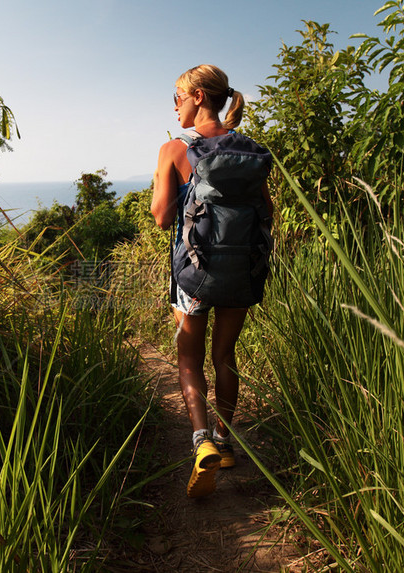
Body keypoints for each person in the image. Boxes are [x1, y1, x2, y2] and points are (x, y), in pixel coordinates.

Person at [151, 64, 273, 498]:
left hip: (193, 273)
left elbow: (163, 217)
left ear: (198, 96)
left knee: (189, 359)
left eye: (178, 96)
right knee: (225, 355)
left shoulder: (173, 149)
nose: (175, 105)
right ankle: (225, 442)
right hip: (241, 270)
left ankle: (201, 441)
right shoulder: (252, 151)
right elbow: (267, 213)